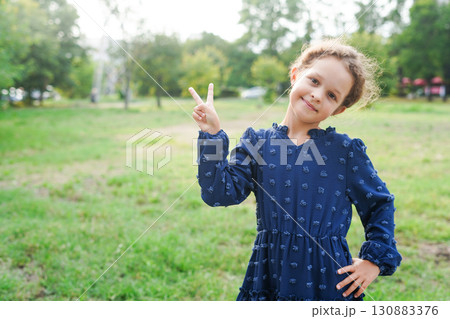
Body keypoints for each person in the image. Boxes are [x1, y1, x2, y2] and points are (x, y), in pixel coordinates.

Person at [189, 39, 402, 301]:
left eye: (331, 95)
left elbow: (380, 204)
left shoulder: (345, 152)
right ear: (295, 75)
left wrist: (375, 259)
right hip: (269, 274)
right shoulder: (258, 142)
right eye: (314, 81)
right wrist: (211, 135)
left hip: (327, 281)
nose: (317, 95)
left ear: (339, 109)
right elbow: (218, 194)